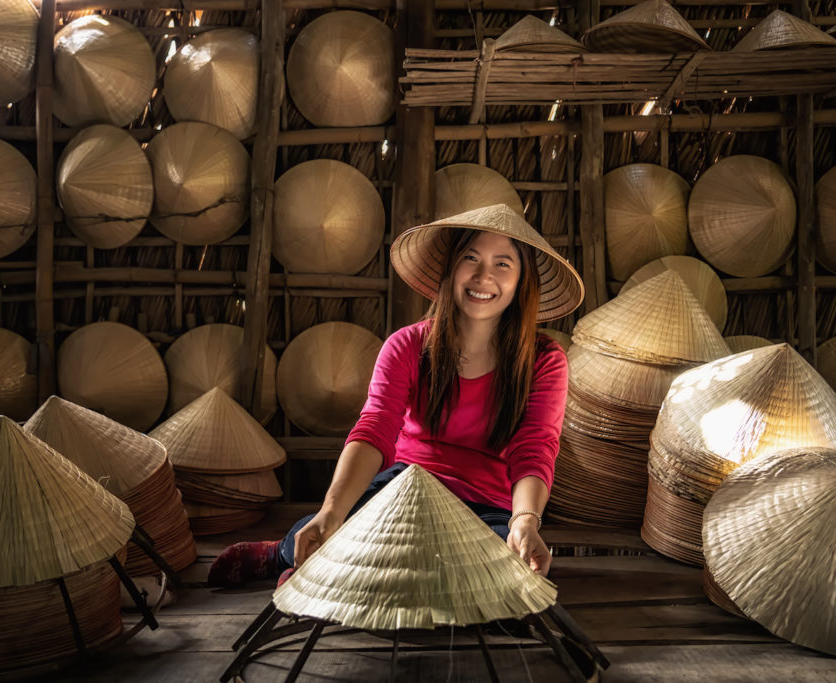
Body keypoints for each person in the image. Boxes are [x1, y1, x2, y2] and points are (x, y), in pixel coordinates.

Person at [209, 203, 584, 586]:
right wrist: (332, 511)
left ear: (522, 280)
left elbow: (535, 448)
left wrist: (523, 522)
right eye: (471, 258)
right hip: (401, 488)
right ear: (451, 269)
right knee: (335, 525)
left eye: (502, 264)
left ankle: (328, 575)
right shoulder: (406, 344)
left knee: (483, 572)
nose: (483, 275)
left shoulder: (544, 361)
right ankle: (283, 554)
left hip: (486, 508)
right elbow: (375, 428)